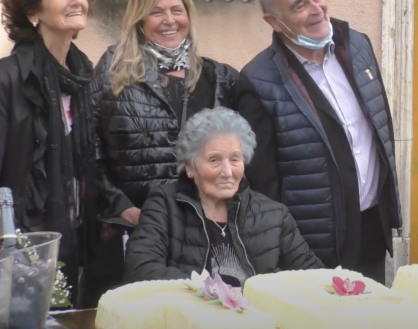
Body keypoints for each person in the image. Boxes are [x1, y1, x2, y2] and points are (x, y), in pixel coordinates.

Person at [234, 0, 401, 284]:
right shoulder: (257, 81)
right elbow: (263, 185)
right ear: (273, 21)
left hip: (371, 230)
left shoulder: (358, 48)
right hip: (311, 246)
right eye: (300, 5)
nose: (316, 9)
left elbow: (380, 131)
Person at [87, 0, 239, 303]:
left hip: (201, 230)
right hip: (136, 228)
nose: (169, 20)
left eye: (177, 10)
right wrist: (119, 206)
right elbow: (89, 149)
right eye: (156, 12)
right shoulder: (113, 70)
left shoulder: (217, 77)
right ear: (140, 19)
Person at [0, 0, 98, 305]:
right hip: (20, 248)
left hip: (73, 242)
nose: (76, 0)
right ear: (33, 11)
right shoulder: (7, 79)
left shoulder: (84, 76)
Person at [123, 107, 324, 285]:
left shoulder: (275, 214)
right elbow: (141, 269)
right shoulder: (164, 205)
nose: (227, 171)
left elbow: (314, 277)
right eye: (214, 160)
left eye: (234, 159)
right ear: (190, 168)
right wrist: (209, 292)